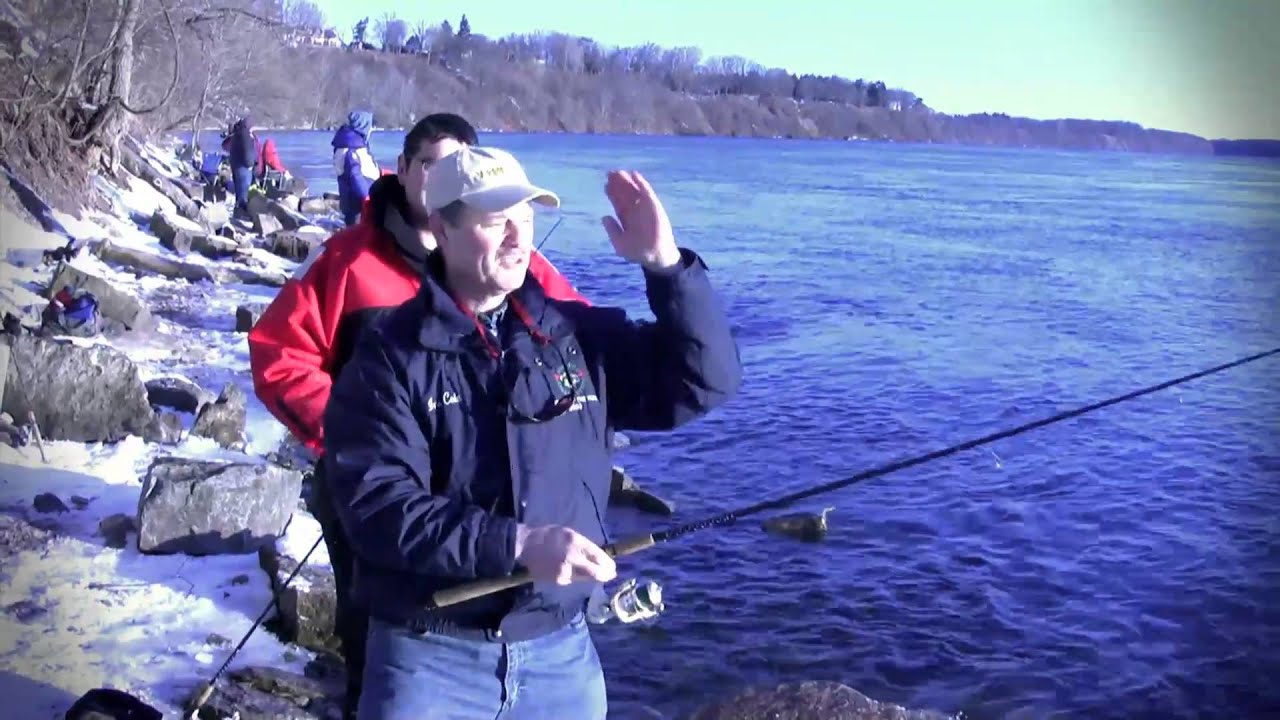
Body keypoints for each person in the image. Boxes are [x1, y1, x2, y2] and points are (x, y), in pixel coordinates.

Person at [322, 146, 742, 720]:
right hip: (427, 658)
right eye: (497, 221)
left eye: (527, 218)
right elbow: (378, 508)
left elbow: (707, 380)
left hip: (561, 656)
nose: (519, 237)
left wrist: (666, 267)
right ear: (442, 227)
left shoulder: (578, 337)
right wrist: (517, 545)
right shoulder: (388, 356)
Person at [246, 113, 589, 720]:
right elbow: (277, 353)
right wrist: (350, 434)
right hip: (373, 489)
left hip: (486, 497)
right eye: (429, 163)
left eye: (456, 165)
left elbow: (579, 338)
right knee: (374, 625)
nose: (439, 177)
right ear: (401, 170)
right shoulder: (348, 261)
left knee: (491, 618)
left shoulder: (515, 260)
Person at [332, 110, 381, 226]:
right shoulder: (350, 149)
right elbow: (355, 176)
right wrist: (367, 198)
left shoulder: (353, 144)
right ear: (363, 126)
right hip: (358, 205)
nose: (371, 129)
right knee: (359, 236)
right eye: (370, 126)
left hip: (356, 203)